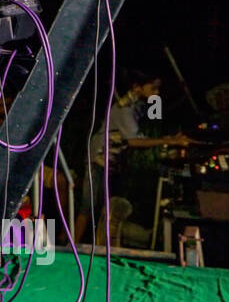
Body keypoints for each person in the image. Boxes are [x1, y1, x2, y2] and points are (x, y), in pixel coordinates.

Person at [76, 70, 195, 245]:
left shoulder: (139, 104)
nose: (156, 93)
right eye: (153, 88)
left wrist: (171, 136)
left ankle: (95, 242)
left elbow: (156, 116)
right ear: (137, 87)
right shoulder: (124, 108)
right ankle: (69, 243)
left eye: (158, 89)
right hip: (99, 157)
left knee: (102, 205)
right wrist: (168, 140)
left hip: (111, 161)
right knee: (88, 205)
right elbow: (134, 141)